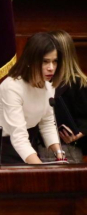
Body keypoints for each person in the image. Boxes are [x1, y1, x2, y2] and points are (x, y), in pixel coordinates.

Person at [0, 32, 64, 164]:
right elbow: (18, 137)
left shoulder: (48, 86)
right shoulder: (12, 87)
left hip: (30, 145)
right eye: (45, 62)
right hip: (7, 150)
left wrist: (59, 155)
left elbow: (47, 123)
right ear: (31, 60)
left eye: (55, 62)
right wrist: (40, 170)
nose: (51, 68)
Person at [40, 30, 87, 163]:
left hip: (68, 149)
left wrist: (78, 133)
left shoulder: (78, 83)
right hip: (40, 148)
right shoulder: (42, 82)